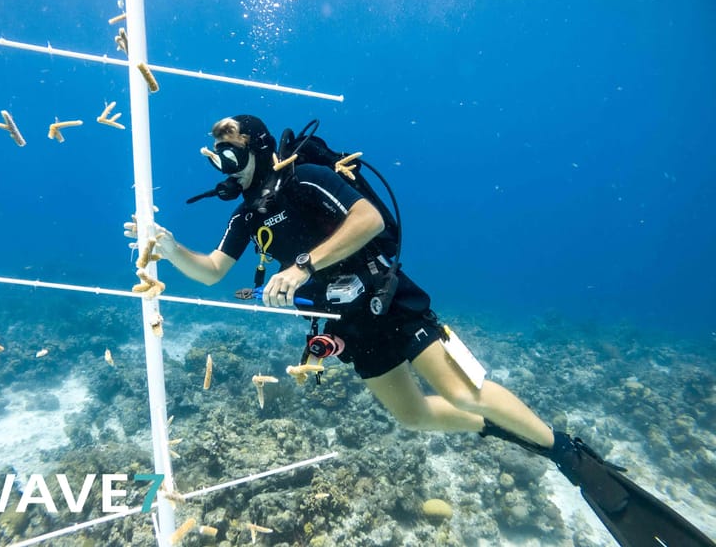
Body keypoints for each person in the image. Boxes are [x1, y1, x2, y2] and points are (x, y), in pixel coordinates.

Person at [125, 114, 715, 547]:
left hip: (390, 301)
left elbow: (369, 218)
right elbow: (211, 272)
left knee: (460, 389)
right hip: (347, 326)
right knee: (411, 415)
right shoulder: (247, 215)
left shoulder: (304, 177)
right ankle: (501, 431)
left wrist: (301, 266)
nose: (218, 158)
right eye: (213, 152)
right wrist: (171, 248)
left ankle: (568, 454)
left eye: (225, 146)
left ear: (253, 145)